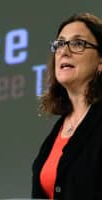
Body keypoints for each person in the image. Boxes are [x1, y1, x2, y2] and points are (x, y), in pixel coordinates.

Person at [32, 13, 102, 200]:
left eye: (78, 43)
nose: (64, 51)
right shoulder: (57, 132)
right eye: (60, 44)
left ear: (100, 61)